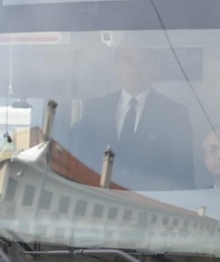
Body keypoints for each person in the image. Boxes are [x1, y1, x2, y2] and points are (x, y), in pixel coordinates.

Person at [70, 43, 196, 190]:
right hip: (101, 203)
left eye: (143, 62)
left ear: (155, 67)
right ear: (116, 66)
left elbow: (183, 175)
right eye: (127, 60)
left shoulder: (175, 113)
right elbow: (81, 163)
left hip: (152, 206)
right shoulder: (96, 108)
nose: (135, 69)